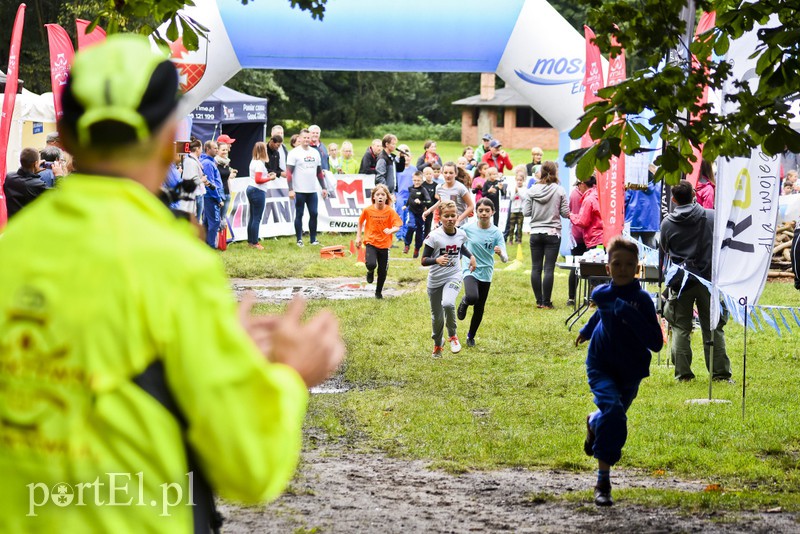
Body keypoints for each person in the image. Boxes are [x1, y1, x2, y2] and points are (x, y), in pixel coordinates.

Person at [0, 34, 344, 532]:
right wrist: (288, 378)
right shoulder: (176, 263)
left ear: (67, 141)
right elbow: (249, 469)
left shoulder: (11, 247)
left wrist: (206, 354)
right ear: (168, 139)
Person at [575, 237, 663, 507]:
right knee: (614, 413)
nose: (622, 268)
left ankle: (594, 422)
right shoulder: (602, 293)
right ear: (607, 268)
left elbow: (656, 343)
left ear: (637, 268)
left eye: (629, 264)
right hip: (600, 364)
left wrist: (629, 314)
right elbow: (600, 312)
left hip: (631, 370)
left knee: (611, 417)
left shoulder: (643, 300)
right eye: (617, 264)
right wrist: (586, 332)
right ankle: (603, 481)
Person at [660, 179, 732, 382]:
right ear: (694, 195)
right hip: (709, 280)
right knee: (713, 327)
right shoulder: (712, 216)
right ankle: (720, 374)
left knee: (681, 328)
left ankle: (683, 375)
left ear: (673, 199)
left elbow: (666, 249)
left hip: (681, 282)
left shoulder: (667, 223)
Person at [421, 200, 476, 358]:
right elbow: (423, 260)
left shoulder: (461, 234)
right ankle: (438, 344)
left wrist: (471, 257)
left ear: (457, 217)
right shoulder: (434, 236)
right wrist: (436, 260)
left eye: (453, 216)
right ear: (440, 217)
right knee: (437, 318)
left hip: (454, 275)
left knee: (448, 303)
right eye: (447, 216)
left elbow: (460, 247)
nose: (450, 219)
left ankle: (453, 335)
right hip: (435, 280)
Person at [456, 198, 508, 347]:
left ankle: (470, 336)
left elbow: (505, 258)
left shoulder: (496, 232)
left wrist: (501, 254)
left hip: (486, 272)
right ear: (476, 212)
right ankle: (465, 301)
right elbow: (454, 238)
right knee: (473, 297)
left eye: (487, 211)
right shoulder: (467, 228)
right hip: (470, 269)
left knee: (480, 307)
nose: (484, 213)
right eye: (480, 210)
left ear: (493, 212)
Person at [524, 161, 570, 309]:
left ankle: (538, 301)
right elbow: (565, 213)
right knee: (548, 269)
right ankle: (546, 302)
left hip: (536, 232)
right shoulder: (559, 190)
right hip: (552, 233)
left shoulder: (532, 190)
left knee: (536, 267)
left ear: (541, 172)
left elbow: (526, 212)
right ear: (555, 172)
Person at [355, 184, 402, 299]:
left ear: (386, 197)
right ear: (374, 197)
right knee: (371, 264)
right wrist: (358, 237)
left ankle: (378, 293)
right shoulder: (368, 210)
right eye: (378, 194)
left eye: (383, 194)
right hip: (371, 242)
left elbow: (397, 226)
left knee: (382, 271)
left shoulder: (390, 211)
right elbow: (360, 222)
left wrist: (391, 230)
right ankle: (370, 271)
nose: (380, 196)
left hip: (385, 245)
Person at [286, 129, 328, 247]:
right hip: (299, 190)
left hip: (312, 190)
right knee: (299, 214)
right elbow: (289, 173)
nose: (306, 140)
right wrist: (290, 189)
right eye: (304, 138)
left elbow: (319, 171)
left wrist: (323, 187)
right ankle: (299, 239)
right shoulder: (294, 153)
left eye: (308, 138)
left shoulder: (315, 153)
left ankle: (313, 239)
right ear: (300, 138)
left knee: (314, 213)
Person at [423, 161, 475, 227]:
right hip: (445, 224)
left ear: (455, 174)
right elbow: (441, 201)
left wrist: (459, 220)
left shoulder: (461, 188)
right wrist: (429, 211)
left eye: (451, 173)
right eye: (445, 173)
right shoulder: (439, 187)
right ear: (442, 173)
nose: (448, 175)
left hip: (459, 225)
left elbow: (471, 206)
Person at [3, 147, 49, 219]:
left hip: (12, 225)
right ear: (36, 163)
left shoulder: (9, 178)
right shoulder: (37, 184)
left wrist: (33, 172)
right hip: (29, 227)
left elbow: (25, 179)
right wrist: (59, 175)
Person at [247, 141, 276, 250]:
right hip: (257, 190)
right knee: (256, 218)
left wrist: (266, 175)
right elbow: (258, 180)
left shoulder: (253, 161)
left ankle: (250, 241)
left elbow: (258, 176)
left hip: (251, 188)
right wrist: (270, 178)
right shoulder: (259, 163)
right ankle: (255, 242)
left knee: (252, 217)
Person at [567, 179, 590, 306]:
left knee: (575, 266)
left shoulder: (573, 194)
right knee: (589, 267)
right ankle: (587, 296)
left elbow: (569, 210)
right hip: (588, 235)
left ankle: (571, 297)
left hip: (575, 234)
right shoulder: (592, 195)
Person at [624, 175, 660, 249]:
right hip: (651, 223)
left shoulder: (632, 185)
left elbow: (624, 201)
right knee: (651, 251)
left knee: (630, 250)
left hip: (633, 222)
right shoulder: (658, 185)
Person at [570, 174, 603, 252]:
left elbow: (583, 221)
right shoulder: (599, 195)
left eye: (578, 185)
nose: (578, 187)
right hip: (603, 239)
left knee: (593, 263)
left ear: (583, 184)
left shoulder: (588, 200)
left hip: (594, 239)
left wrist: (570, 215)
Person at [404, 170, 431, 257]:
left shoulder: (423, 190)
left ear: (422, 180)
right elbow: (410, 198)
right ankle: (407, 245)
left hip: (420, 214)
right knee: (411, 226)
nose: (416, 182)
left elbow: (428, 201)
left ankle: (417, 249)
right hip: (411, 211)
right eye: (415, 180)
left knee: (419, 231)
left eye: (418, 180)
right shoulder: (410, 188)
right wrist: (406, 205)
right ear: (412, 180)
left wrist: (421, 202)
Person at [216, 135, 238, 227]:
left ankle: (222, 240)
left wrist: (230, 172)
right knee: (219, 219)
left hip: (227, 190)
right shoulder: (215, 161)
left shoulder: (226, 160)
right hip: (220, 193)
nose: (230, 146)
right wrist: (230, 175)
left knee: (223, 218)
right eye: (229, 143)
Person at [506, 172, 527, 244]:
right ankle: (510, 240)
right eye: (517, 180)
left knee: (519, 226)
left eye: (520, 180)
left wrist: (518, 192)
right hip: (513, 210)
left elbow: (524, 198)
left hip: (521, 210)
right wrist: (515, 193)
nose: (519, 181)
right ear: (515, 180)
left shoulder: (525, 189)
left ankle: (519, 240)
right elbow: (511, 198)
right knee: (511, 226)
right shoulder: (513, 188)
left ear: (523, 180)